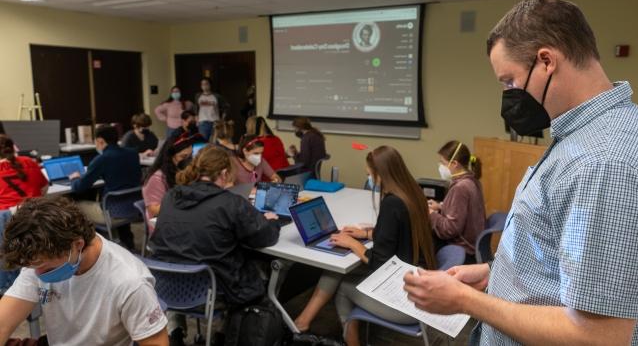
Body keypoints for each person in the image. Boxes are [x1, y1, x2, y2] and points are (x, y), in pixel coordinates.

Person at [403, 0, 638, 346]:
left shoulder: (605, 164)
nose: (508, 94)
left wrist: (465, 301)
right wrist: (492, 273)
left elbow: (597, 336)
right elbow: (562, 254)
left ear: (547, 61)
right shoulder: (588, 135)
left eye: (509, 81)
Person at [293, 146, 437, 346]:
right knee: (336, 271)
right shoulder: (413, 193)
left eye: (369, 174)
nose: (369, 178)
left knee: (343, 286)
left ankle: (349, 339)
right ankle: (303, 322)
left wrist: (353, 243)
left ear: (381, 174)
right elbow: (401, 231)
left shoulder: (392, 203)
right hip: (420, 282)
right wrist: (367, 234)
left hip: (408, 301)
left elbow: (378, 261)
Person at [149, 145, 280, 344]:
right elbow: (265, 237)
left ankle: (179, 333)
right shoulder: (230, 203)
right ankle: (227, 334)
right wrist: (271, 220)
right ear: (225, 172)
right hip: (213, 292)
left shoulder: (170, 197)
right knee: (261, 268)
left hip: (168, 288)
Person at [0, 196, 168, 346]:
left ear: (77, 245)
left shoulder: (129, 283)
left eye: (44, 266)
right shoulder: (41, 258)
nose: (38, 274)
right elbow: (2, 323)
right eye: (33, 266)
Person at [69, 125, 141, 250]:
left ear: (100, 141)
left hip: (112, 211)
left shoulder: (102, 159)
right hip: (134, 207)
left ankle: (96, 246)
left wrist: (75, 178)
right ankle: (128, 244)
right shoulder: (132, 153)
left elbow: (79, 187)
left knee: (74, 205)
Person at [427, 141, 486, 262]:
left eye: (442, 163)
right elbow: (463, 211)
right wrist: (441, 207)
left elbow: (449, 230)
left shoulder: (460, 188)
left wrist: (431, 214)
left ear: (454, 163)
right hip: (473, 247)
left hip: (463, 251)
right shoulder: (472, 180)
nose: (440, 166)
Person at [142, 134, 196, 224]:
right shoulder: (157, 178)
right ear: (170, 157)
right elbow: (154, 210)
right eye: (183, 157)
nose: (188, 161)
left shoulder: (182, 171)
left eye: (190, 156)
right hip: (164, 224)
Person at [0, 136, 47, 211]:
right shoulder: (29, 161)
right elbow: (44, 188)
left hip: (8, 216)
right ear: (13, 147)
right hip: (36, 211)